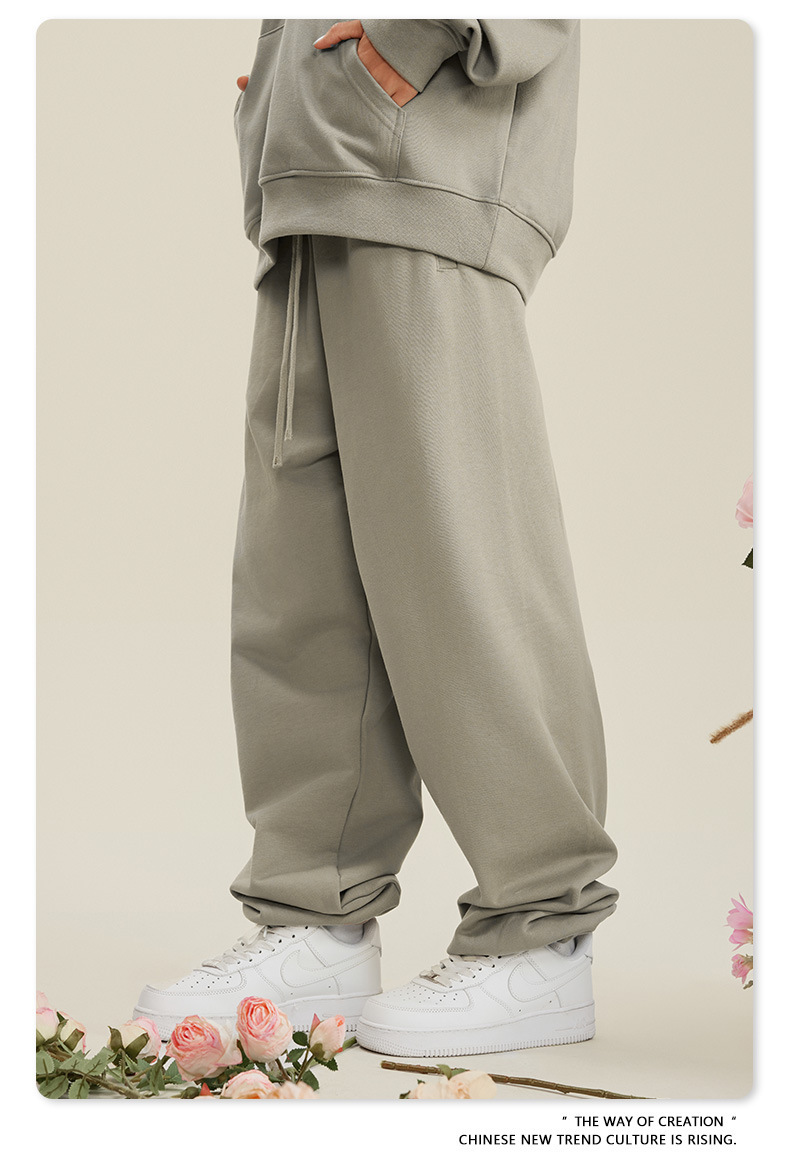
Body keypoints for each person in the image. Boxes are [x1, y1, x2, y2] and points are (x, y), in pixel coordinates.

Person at [134, 18, 619, 1058]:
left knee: (464, 566)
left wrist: (405, 38)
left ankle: (543, 928)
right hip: (315, 177)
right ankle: (317, 921)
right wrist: (286, 86)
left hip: (422, 166)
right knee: (300, 584)